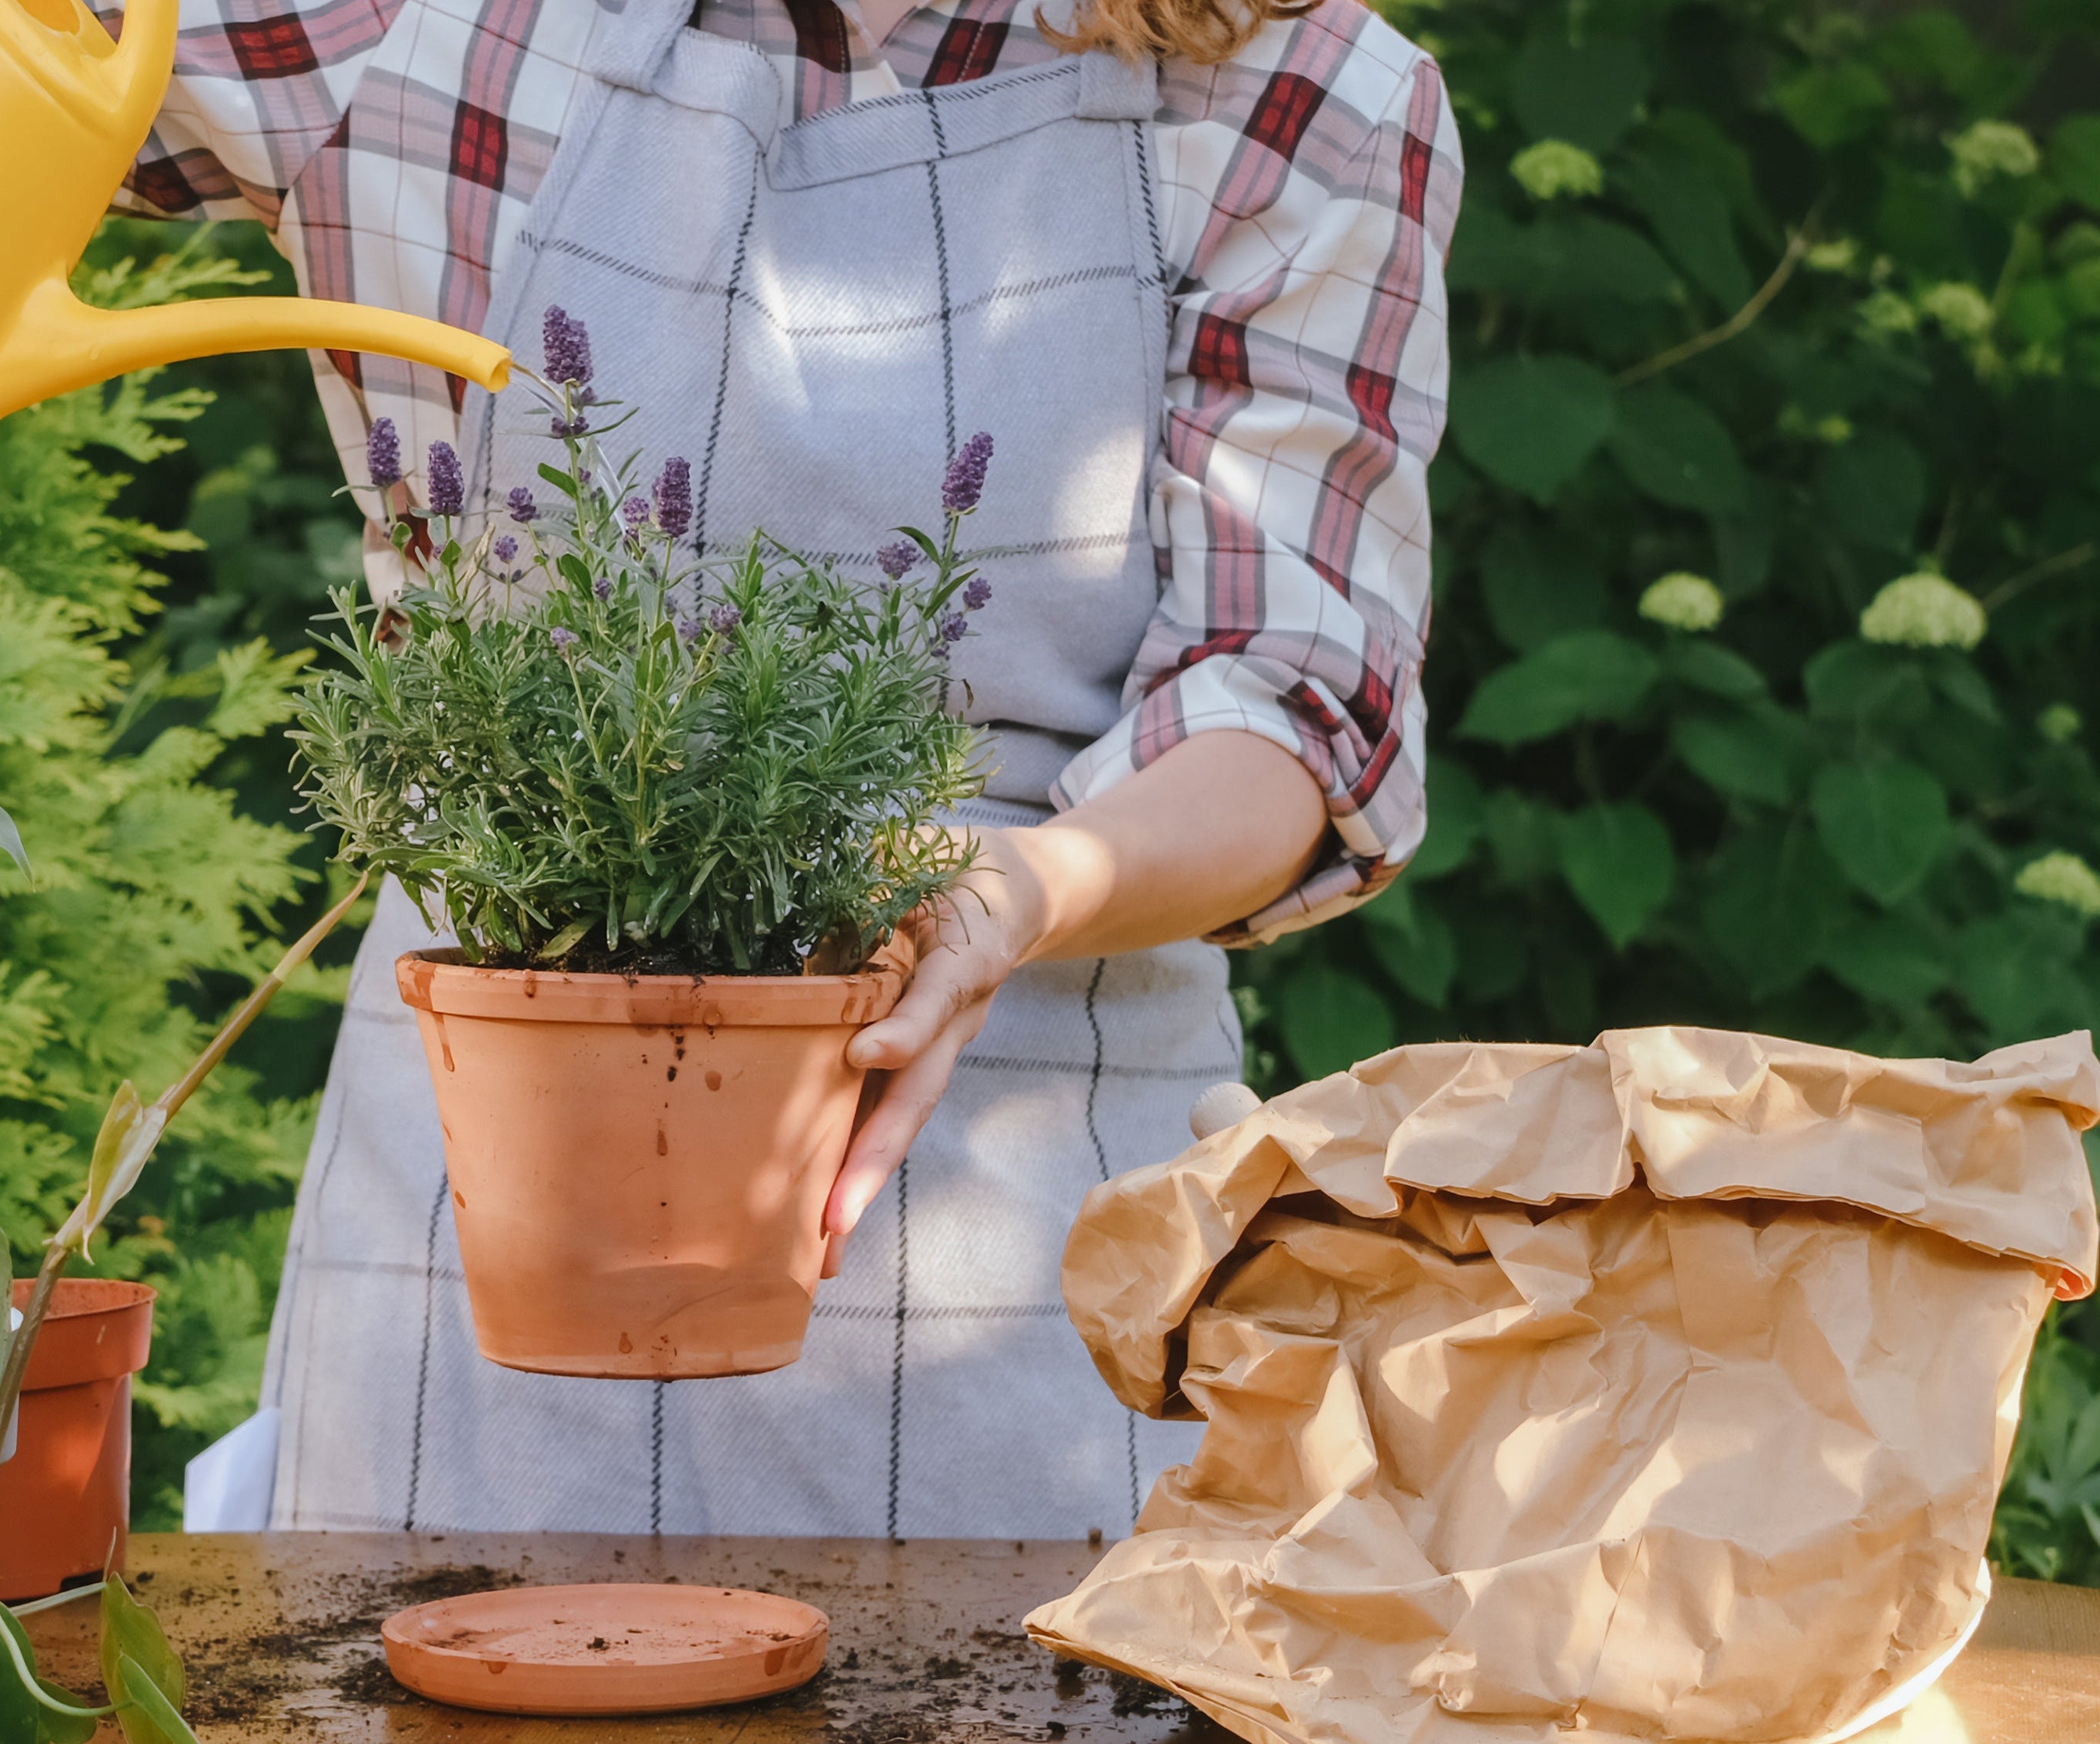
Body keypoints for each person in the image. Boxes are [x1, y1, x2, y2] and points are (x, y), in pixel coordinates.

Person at [127, 0, 1456, 1538]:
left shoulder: (1297, 86)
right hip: (486, 1208)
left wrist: (1020, 886)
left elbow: (1283, 700)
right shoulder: (410, 19)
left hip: (1030, 1256)